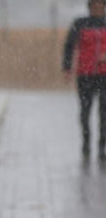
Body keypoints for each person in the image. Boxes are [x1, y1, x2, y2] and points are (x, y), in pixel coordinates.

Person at [64, 0, 106, 160]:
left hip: (104, 76)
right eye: (95, 5)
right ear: (89, 6)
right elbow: (69, 45)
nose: (98, 8)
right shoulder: (80, 23)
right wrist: (67, 68)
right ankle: (86, 143)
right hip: (85, 74)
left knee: (104, 113)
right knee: (85, 111)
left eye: (101, 5)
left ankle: (102, 146)